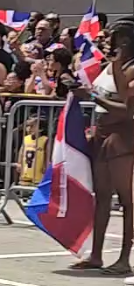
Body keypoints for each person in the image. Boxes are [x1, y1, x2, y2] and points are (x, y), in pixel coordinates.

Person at [73, 17, 134, 274]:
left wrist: (93, 96)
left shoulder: (130, 68)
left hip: (123, 135)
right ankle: (96, 255)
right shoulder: (110, 66)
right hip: (102, 131)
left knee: (126, 200)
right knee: (102, 196)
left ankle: (124, 259)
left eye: (112, 37)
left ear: (126, 40)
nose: (107, 41)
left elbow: (127, 110)